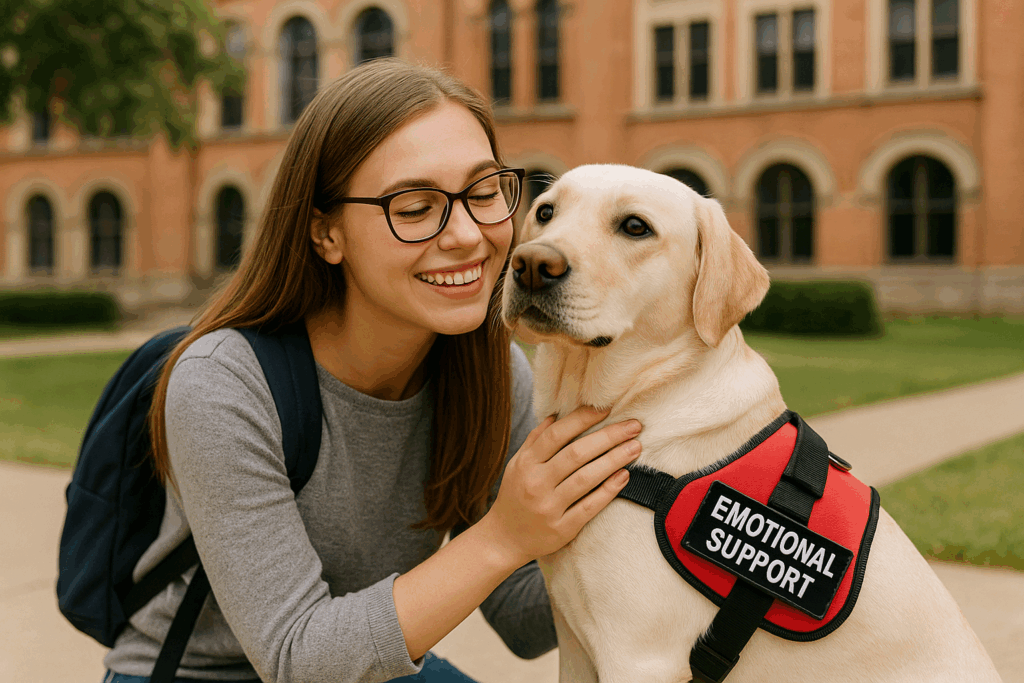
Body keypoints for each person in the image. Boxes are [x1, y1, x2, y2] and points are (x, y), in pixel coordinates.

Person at [101, 59, 642, 683]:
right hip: (210, 673)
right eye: (414, 207)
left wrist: (670, 524)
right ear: (326, 234)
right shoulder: (223, 382)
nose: (467, 235)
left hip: (368, 665)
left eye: (485, 191)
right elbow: (297, 658)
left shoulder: (492, 368)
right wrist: (504, 536)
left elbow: (521, 618)